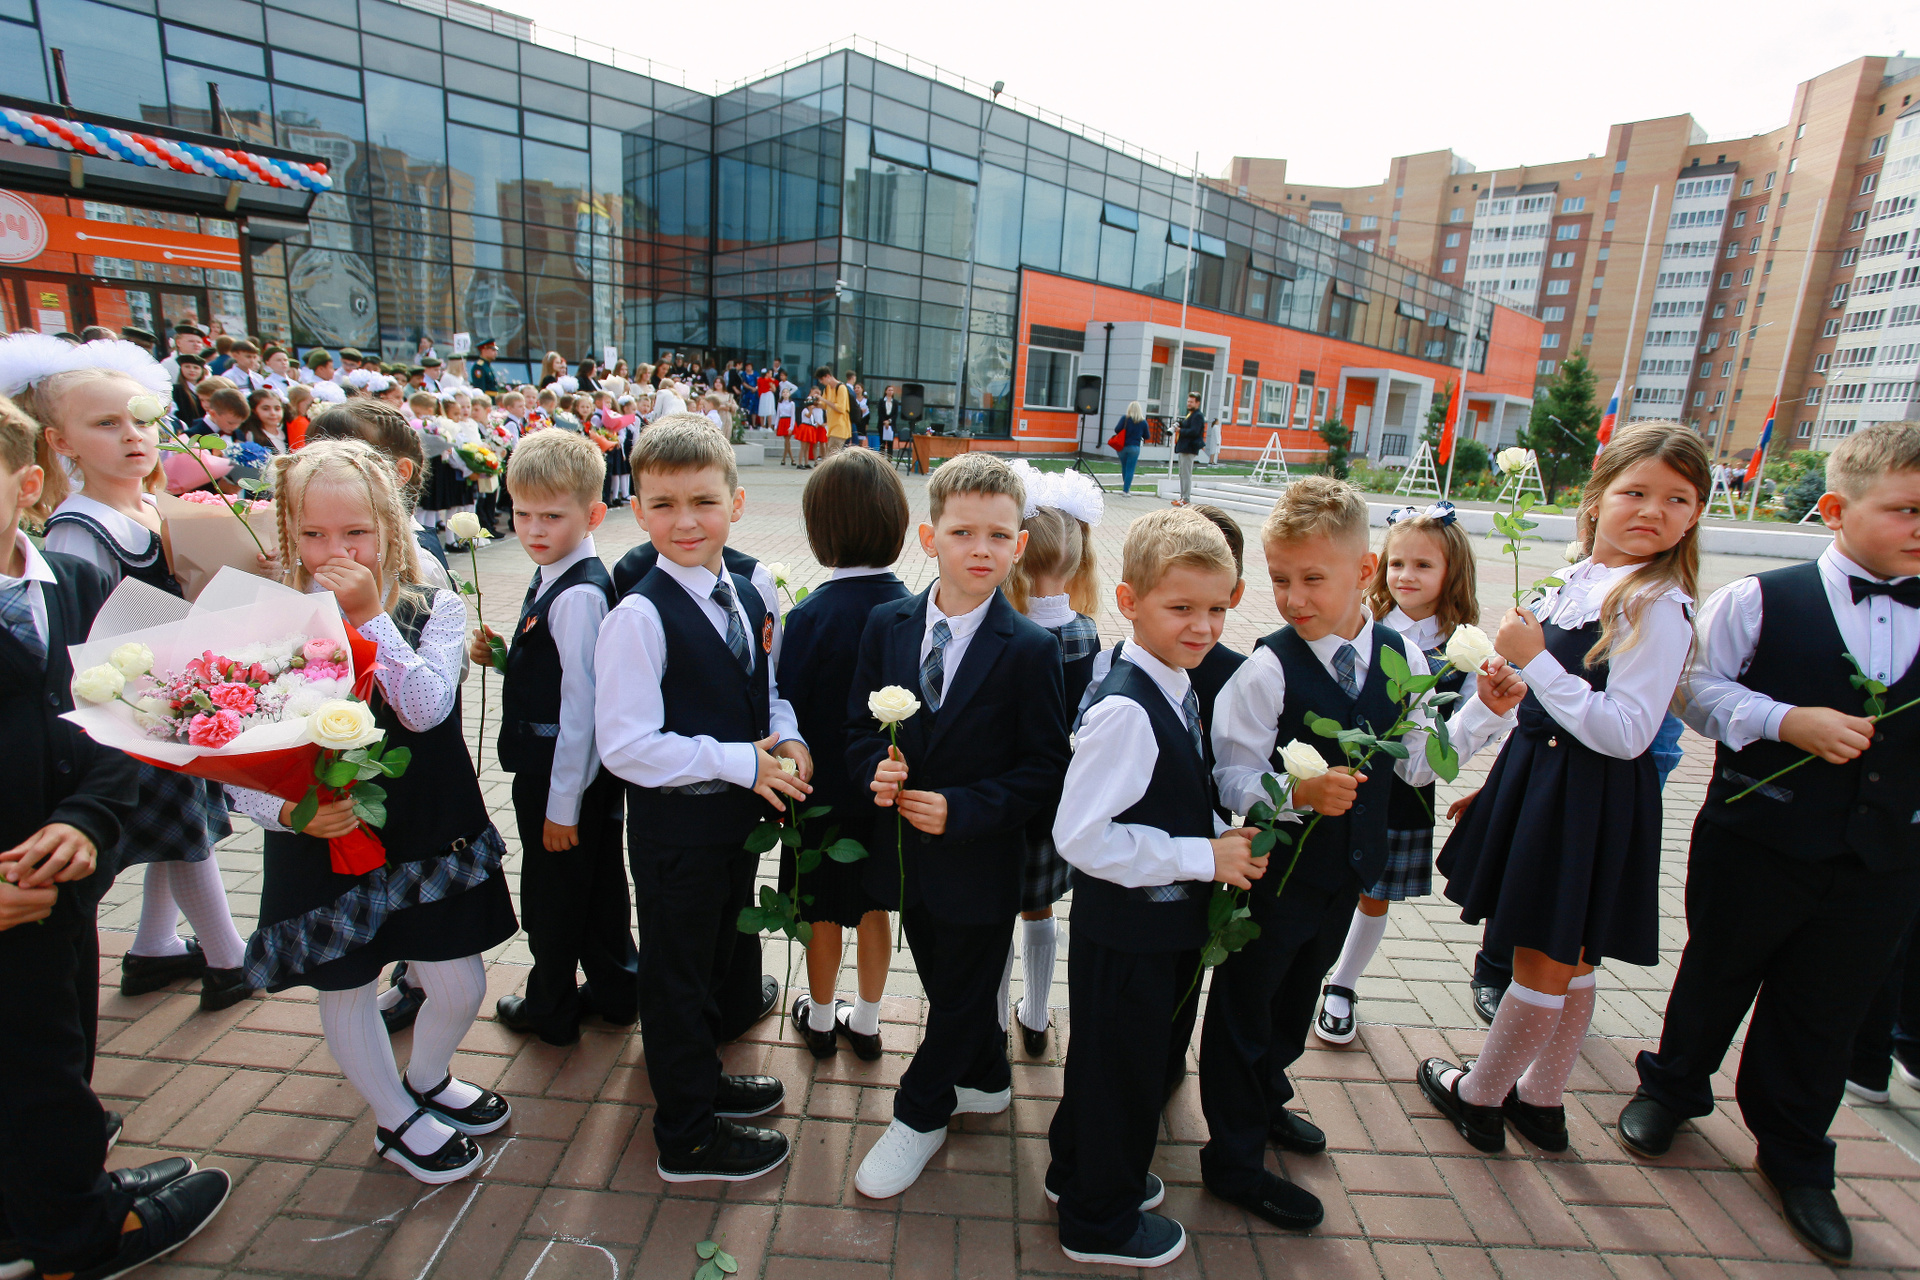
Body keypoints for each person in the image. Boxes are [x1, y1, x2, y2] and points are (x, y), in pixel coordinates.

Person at [1621, 421, 1920, 1266]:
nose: (1919, 527)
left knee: (1828, 1005)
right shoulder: (1759, 599)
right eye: (1904, 509)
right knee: (1719, 967)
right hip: (1759, 836)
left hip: (1884, 858)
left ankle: (1794, 1152)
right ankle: (1674, 1087)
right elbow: (1692, 689)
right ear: (1836, 509)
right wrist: (1785, 720)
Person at [1207, 476, 1522, 1227]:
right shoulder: (1269, 668)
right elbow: (1229, 772)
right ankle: (1233, 1158)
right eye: (1280, 579)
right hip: (1276, 874)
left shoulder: (1398, 653)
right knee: (1246, 1007)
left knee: (1296, 997)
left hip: (1343, 874)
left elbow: (1416, 764)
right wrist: (1294, 792)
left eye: (1313, 579)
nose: (1293, 599)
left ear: (1365, 570)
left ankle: (1267, 1096)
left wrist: (1484, 713)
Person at [227, 441, 516, 1185]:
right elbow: (229, 752)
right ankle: (393, 1116)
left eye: (356, 532)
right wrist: (289, 813)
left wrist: (369, 616)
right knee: (348, 983)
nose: (337, 552)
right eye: (314, 533)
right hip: (325, 835)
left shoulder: (431, 604)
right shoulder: (269, 621)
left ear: (389, 524)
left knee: (459, 984)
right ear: (288, 531)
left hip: (426, 828)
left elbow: (424, 710)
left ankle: (428, 1074)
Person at [1423, 423, 1708, 1157]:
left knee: (1543, 956)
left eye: (1677, 498)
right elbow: (1557, 702)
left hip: (1586, 796)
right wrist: (1516, 694)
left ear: (1696, 515)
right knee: (1571, 958)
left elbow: (1628, 732)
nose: (1654, 510)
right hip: (1546, 780)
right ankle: (1542, 1101)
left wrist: (1539, 662)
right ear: (1596, 499)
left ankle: (1481, 1097)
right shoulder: (1578, 580)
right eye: (1635, 492)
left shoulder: (1657, 603)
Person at [0, 393, 232, 1280]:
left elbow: (123, 711)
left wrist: (85, 816)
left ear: (27, 486)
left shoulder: (74, 583)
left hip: (64, 875)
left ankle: (36, 1203)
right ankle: (79, 1237)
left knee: (61, 1039)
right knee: (32, 1066)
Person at [848, 453, 1070, 1200]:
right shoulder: (886, 625)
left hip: (980, 861)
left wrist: (965, 807)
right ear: (929, 537)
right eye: (963, 532)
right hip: (907, 860)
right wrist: (871, 770)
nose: (982, 549)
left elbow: (1045, 768)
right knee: (946, 977)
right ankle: (984, 1076)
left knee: (963, 994)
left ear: (1020, 546)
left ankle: (919, 1114)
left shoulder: (1032, 650)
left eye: (999, 536)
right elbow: (856, 728)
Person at [594, 417, 810, 1184]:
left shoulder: (745, 591)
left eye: (703, 502)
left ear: (737, 503)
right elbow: (625, 746)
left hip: (730, 827)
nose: (685, 521)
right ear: (637, 511)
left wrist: (788, 739)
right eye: (663, 505)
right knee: (677, 980)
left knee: (715, 963)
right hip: (677, 835)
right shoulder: (638, 617)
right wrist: (740, 761)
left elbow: (764, 691)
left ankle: (702, 1081)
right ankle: (684, 1137)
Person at [1048, 507, 1257, 1268]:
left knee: (1108, 1064)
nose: (1203, 627)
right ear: (1130, 602)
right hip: (1128, 933)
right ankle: (1097, 1222)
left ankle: (1078, 1172)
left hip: (1143, 928)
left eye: (1217, 609)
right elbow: (1081, 837)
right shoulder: (1129, 710)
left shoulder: (1171, 682)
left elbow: (1166, 791)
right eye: (1182, 608)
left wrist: (1219, 830)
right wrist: (1204, 856)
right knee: (1122, 1075)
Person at [21, 341, 254, 1015]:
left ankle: (153, 947)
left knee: (179, 828)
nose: (132, 436)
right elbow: (86, 637)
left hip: (176, 694)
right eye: (106, 424)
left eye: (142, 420)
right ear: (60, 441)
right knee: (184, 830)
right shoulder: (79, 528)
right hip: (135, 710)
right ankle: (229, 961)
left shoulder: (158, 507)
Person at [473, 431, 637, 1049]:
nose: (534, 530)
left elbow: (582, 711)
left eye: (551, 516)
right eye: (522, 514)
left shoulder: (579, 594)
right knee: (594, 887)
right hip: (574, 775)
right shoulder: (558, 574)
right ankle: (618, 992)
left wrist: (562, 804)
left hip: (561, 777)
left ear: (593, 515)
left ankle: (551, 1006)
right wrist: (506, 659)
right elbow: (558, 675)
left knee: (554, 896)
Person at [1315, 501, 1496, 1045]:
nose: (1406, 576)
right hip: (1341, 777)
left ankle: (1343, 983)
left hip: (1404, 791)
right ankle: (1307, 965)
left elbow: (1468, 731)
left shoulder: (1463, 649)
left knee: (1374, 892)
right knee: (1324, 877)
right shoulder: (1362, 624)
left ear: (1452, 572)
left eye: (1423, 565)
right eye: (1397, 563)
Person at [781, 450, 911, 1062]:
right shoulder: (912, 608)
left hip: (822, 793)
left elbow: (788, 702)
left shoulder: (809, 616)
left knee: (823, 909)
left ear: (819, 528)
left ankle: (820, 1016)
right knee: (875, 906)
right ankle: (867, 1019)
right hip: (886, 792)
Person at [1000, 462, 1105, 1057]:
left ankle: (993, 1020)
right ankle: (1037, 1015)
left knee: (998, 911)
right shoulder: (1087, 634)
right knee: (1040, 909)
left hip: (1005, 789)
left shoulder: (1007, 630)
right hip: (1060, 796)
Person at [1174, 393, 1205, 505]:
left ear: (1197, 403)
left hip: (1189, 448)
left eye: (1191, 402)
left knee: (1186, 474)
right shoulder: (1190, 415)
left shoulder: (1198, 416)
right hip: (1184, 448)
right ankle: (1182, 497)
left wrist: (1180, 430)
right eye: (1188, 401)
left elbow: (1194, 431)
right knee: (1182, 473)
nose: (1189, 404)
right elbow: (1188, 426)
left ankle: (1186, 499)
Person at [1114, 401, 1149, 495]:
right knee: (1130, 468)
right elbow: (1147, 436)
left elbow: (1117, 429)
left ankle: (1125, 486)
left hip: (1122, 447)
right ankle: (1126, 490)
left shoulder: (1124, 419)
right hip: (1134, 447)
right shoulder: (1143, 422)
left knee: (1124, 467)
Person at [817, 366, 851, 457]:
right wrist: (814, 403)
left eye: (821, 379)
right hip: (831, 428)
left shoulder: (841, 388)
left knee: (831, 456)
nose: (821, 382)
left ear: (828, 376)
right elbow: (824, 405)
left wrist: (824, 400)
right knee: (832, 456)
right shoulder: (827, 388)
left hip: (840, 428)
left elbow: (840, 408)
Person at [285, 383, 315, 451]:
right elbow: (301, 447)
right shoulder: (299, 422)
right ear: (297, 402)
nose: (311, 406)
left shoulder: (293, 419)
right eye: (309, 404)